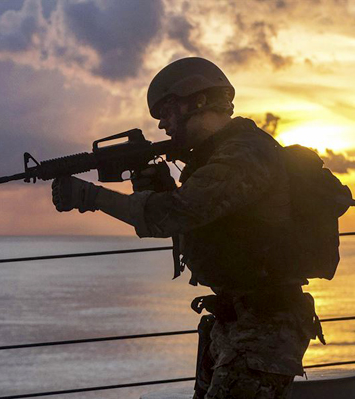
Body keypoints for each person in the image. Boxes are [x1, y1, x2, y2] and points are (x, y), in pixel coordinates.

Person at [51, 57, 322, 398]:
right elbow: (202, 222)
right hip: (234, 321)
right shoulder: (213, 156)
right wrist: (156, 187)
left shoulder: (244, 155)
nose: (163, 125)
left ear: (198, 101)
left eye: (167, 112)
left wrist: (90, 196)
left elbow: (178, 214)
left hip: (264, 328)